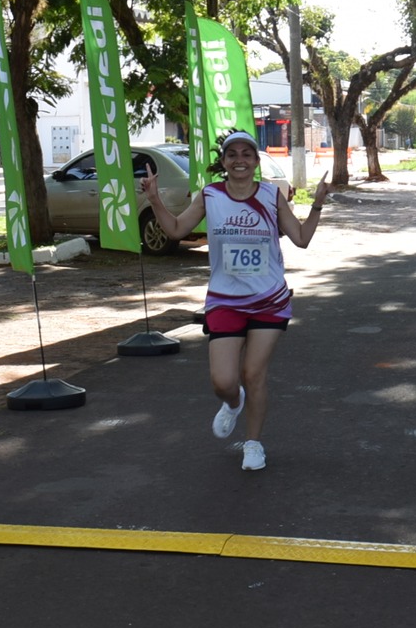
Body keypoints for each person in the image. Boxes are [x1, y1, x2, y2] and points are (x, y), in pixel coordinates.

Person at [138, 130, 329, 471]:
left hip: (269, 299)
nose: (239, 159)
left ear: (256, 162)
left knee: (253, 373)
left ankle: (253, 444)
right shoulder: (210, 195)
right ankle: (233, 401)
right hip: (225, 301)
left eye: (247, 154)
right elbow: (178, 230)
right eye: (232, 154)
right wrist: (154, 198)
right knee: (223, 381)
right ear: (224, 162)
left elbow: (300, 238)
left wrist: (317, 203)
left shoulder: (272, 195)